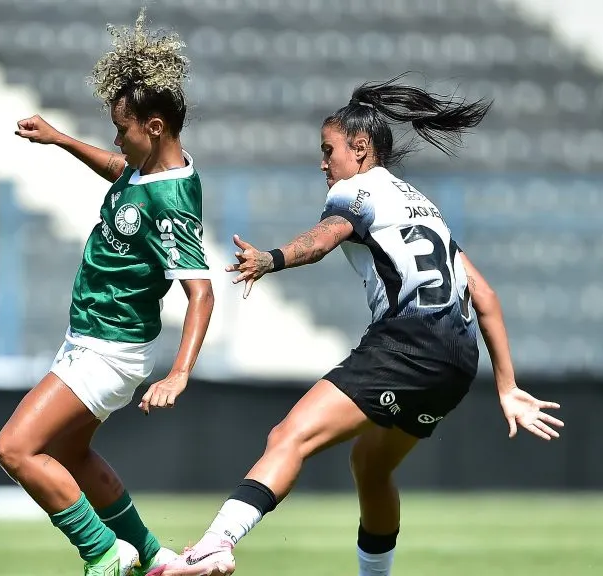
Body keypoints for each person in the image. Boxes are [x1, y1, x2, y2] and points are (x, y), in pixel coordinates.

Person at [150, 77, 565, 576]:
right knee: (371, 464)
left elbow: (324, 239)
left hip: (407, 346)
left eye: (329, 151)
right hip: (458, 360)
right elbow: (486, 296)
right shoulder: (421, 206)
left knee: (290, 436)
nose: (323, 163)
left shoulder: (355, 192)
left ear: (361, 148)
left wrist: (271, 259)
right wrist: (508, 387)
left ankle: (217, 543)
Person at [0, 9, 214, 576]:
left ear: (155, 126)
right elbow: (121, 168)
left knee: (16, 448)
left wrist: (180, 373)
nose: (116, 138)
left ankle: (102, 552)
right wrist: (60, 139)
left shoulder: (171, 200)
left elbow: (200, 293)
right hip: (95, 340)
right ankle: (154, 558)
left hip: (108, 347)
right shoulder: (148, 169)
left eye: (122, 126)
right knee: (71, 454)